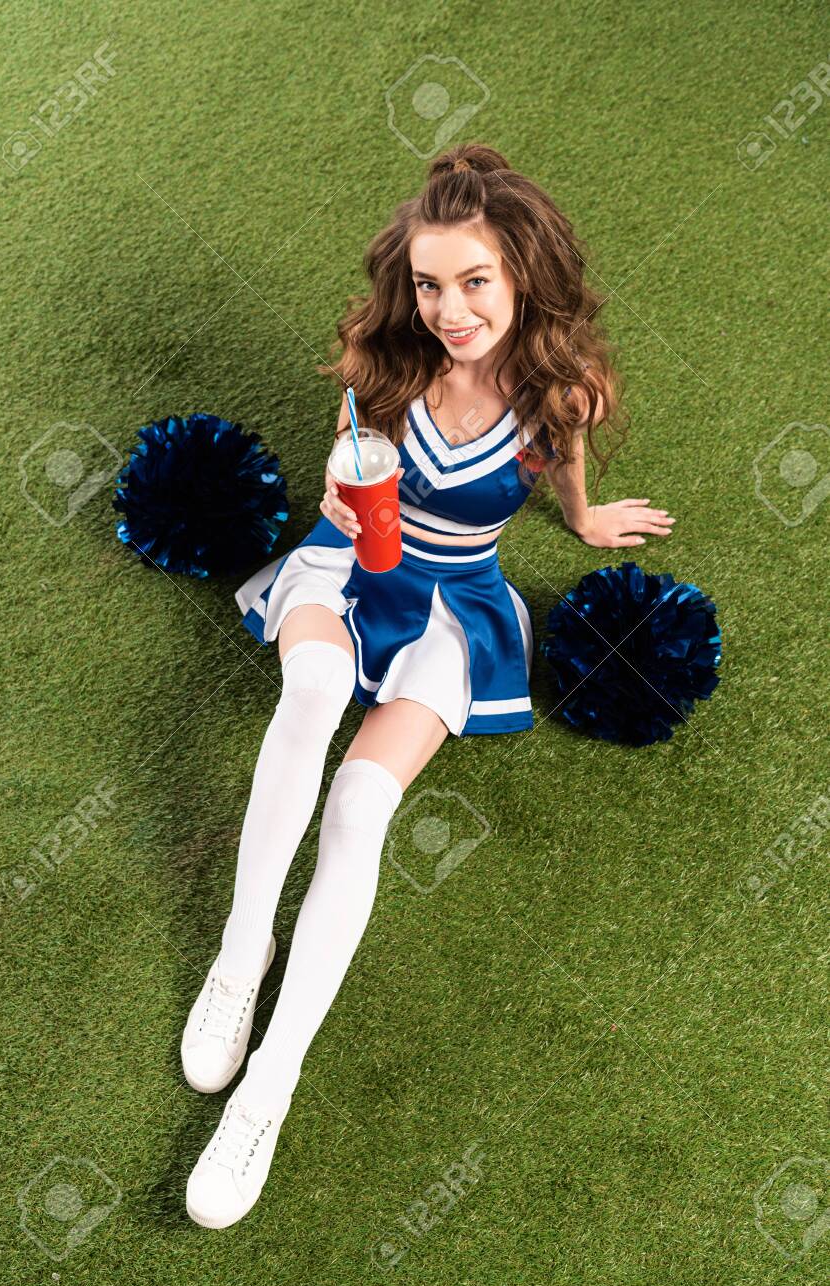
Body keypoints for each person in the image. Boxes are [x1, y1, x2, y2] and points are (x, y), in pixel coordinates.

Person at [183, 142, 676, 1229]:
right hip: (352, 564)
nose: (448, 308)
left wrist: (586, 520)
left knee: (359, 804)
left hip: (455, 603)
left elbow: (572, 463)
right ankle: (239, 952)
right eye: (428, 282)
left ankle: (269, 1086)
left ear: (524, 276)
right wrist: (337, 479)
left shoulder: (563, 393)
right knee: (308, 695)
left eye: (475, 282)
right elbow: (347, 468)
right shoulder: (388, 360)